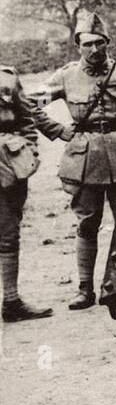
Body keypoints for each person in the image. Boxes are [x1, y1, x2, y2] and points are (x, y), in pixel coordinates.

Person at [43, 11, 116, 310]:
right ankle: (85, 290)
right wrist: (57, 130)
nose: (94, 49)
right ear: (78, 45)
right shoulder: (65, 76)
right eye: (87, 44)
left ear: (107, 42)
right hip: (84, 159)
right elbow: (31, 105)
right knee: (87, 223)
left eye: (99, 43)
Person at [0, 62, 53, 322]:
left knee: (9, 233)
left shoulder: (7, 77)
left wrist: (29, 150)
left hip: (9, 164)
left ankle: (11, 301)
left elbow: (26, 118)